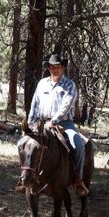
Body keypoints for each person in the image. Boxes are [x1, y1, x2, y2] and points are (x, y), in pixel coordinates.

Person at [26, 54, 89, 197]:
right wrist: (30, 123)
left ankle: (77, 180)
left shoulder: (69, 85)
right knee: (25, 145)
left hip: (64, 123)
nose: (55, 70)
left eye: (58, 67)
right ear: (49, 68)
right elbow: (35, 103)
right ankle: (26, 178)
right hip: (41, 123)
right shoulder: (42, 83)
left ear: (63, 68)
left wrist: (53, 121)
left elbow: (67, 105)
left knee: (78, 146)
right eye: (52, 67)